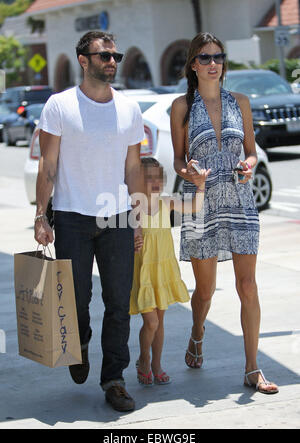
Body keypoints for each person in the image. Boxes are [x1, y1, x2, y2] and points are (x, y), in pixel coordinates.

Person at [34, 31, 145, 412]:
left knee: (118, 303)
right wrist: (40, 215)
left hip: (117, 218)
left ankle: (114, 379)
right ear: (83, 60)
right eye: (104, 56)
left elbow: (133, 166)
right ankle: (78, 340)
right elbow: (48, 164)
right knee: (77, 299)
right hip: (71, 219)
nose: (112, 61)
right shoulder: (59, 105)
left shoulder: (130, 109)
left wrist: (139, 215)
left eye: (116, 55)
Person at [170, 32, 279, 394]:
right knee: (205, 289)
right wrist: (190, 174)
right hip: (201, 203)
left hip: (240, 199)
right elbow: (177, 160)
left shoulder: (241, 102)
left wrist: (248, 166)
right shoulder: (181, 107)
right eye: (205, 57)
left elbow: (251, 151)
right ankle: (197, 332)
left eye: (218, 56)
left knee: (247, 285)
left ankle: (252, 368)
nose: (213, 63)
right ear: (193, 64)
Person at [130, 157, 210, 386]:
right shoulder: (134, 206)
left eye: (158, 177)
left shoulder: (166, 202)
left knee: (160, 321)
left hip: (163, 269)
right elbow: (125, 233)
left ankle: (157, 364)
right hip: (144, 270)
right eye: (148, 178)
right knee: (151, 322)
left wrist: (201, 186)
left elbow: (195, 206)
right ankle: (144, 359)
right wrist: (131, 239)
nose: (155, 182)